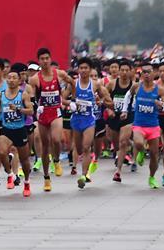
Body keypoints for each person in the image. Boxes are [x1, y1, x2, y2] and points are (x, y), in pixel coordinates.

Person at [25, 48, 73, 190]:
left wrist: (71, 98)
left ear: (50, 59)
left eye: (47, 58)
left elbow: (73, 83)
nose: (45, 61)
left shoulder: (59, 74)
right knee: (45, 147)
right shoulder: (34, 79)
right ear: (39, 61)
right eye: (42, 59)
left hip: (56, 112)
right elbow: (32, 96)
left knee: (57, 139)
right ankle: (46, 178)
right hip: (42, 114)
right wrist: (35, 106)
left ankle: (57, 161)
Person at [64, 57, 113, 189]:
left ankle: (84, 175)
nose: (84, 70)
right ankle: (83, 169)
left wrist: (100, 102)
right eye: (81, 68)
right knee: (79, 149)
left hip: (89, 120)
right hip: (76, 120)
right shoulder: (73, 84)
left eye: (86, 68)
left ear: (90, 69)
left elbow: (110, 102)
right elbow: (61, 99)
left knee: (86, 148)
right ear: (78, 70)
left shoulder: (96, 85)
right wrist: (71, 103)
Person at [0, 63, 34, 197]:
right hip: (6, 129)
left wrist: (18, 109)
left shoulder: (23, 95)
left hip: (20, 129)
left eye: (14, 78)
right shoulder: (2, 95)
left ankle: (27, 182)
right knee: (1, 152)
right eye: (9, 78)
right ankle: (10, 174)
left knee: (24, 160)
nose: (11, 80)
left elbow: (31, 111)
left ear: (18, 80)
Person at [128, 61, 164, 189]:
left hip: (153, 125)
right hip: (139, 124)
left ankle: (151, 177)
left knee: (155, 155)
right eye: (143, 72)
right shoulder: (136, 87)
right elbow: (127, 97)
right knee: (138, 143)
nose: (146, 74)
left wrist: (161, 105)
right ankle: (141, 151)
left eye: (148, 72)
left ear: (154, 73)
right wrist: (124, 110)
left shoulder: (159, 89)